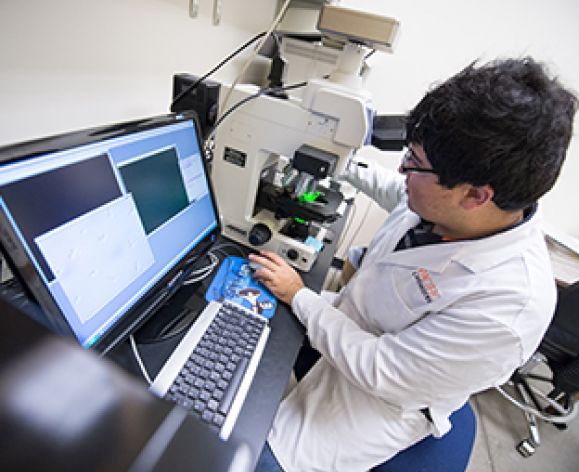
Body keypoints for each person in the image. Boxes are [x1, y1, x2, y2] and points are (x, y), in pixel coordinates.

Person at [250, 57, 577, 472]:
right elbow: (399, 193)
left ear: (475, 196)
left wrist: (299, 295)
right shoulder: (467, 205)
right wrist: (340, 165)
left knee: (253, 460)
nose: (402, 169)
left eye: (414, 163)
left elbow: (380, 369)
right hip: (351, 325)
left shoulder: (507, 309)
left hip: (379, 400)